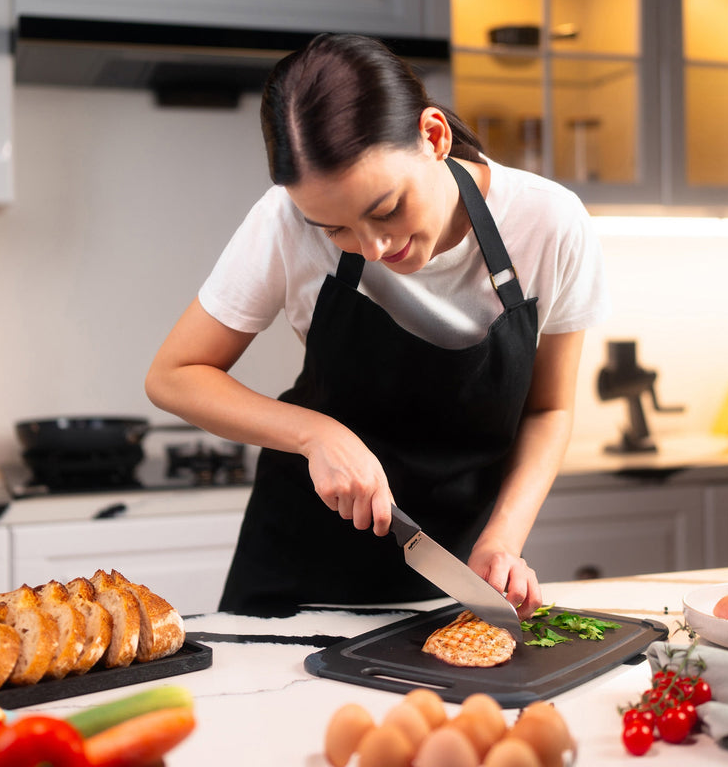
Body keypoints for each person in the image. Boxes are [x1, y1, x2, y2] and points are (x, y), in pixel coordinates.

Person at [145, 33, 609, 618]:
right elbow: (174, 375)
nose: (375, 247)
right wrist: (316, 434)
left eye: (386, 209)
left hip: (454, 568)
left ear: (434, 137)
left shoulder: (548, 221)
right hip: (298, 571)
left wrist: (504, 539)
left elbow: (549, 410)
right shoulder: (282, 221)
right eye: (333, 229)